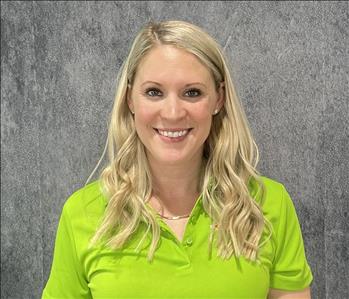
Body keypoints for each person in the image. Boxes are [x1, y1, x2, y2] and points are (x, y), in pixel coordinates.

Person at [42, 20, 313, 299]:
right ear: (130, 100)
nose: (172, 112)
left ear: (218, 100)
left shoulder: (267, 205)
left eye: (192, 92)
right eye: (154, 92)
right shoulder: (82, 213)